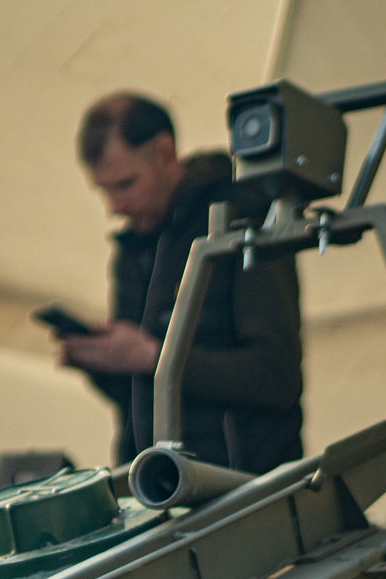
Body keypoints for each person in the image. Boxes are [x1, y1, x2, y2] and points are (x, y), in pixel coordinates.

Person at [61, 93, 303, 476]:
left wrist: (153, 356)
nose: (114, 207)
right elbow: (143, 395)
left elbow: (275, 375)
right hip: (154, 494)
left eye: (125, 184)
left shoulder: (242, 219)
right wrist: (103, 362)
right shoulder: (133, 249)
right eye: (104, 191)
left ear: (164, 153)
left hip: (241, 496)